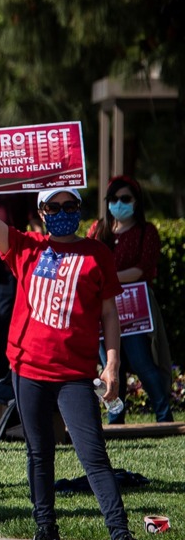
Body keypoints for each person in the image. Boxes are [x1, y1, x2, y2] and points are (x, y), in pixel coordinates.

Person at [0, 172, 160, 540]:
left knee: (92, 454)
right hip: (28, 368)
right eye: (54, 207)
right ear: (41, 212)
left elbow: (109, 314)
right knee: (38, 453)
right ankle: (46, 534)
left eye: (70, 206)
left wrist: (112, 364)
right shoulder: (26, 247)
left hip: (75, 374)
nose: (62, 213)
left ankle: (120, 537)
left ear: (79, 208)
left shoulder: (97, 253)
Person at [87, 176, 174, 423]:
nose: (119, 204)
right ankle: (115, 420)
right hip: (104, 309)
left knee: (141, 362)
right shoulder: (98, 229)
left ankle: (164, 416)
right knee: (111, 367)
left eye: (125, 199)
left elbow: (141, 270)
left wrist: (107, 278)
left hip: (134, 310)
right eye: (113, 199)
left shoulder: (146, 232)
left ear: (136, 201)